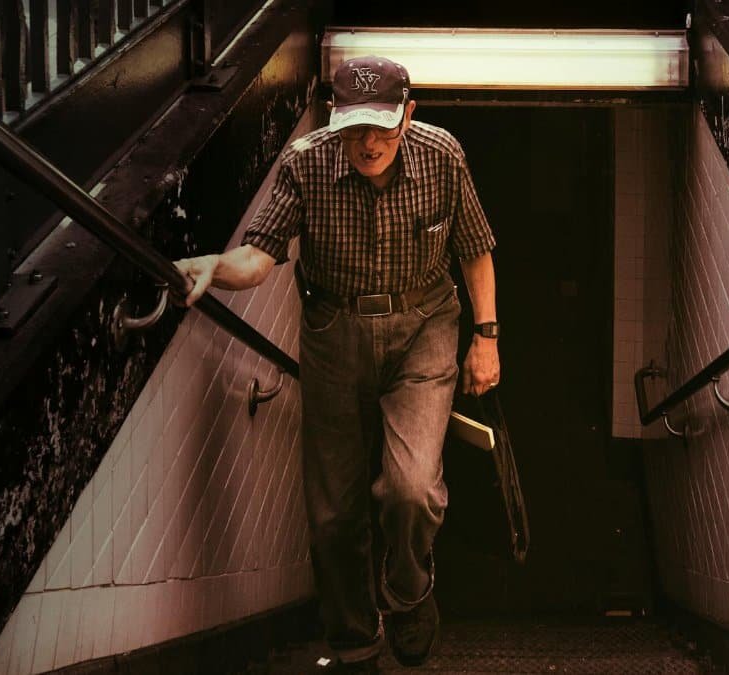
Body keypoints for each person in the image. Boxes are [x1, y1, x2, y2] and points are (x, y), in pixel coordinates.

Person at [174, 55, 500, 671]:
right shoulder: (306, 163)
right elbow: (259, 256)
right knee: (331, 515)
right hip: (332, 330)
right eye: (355, 127)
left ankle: (408, 591)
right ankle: (354, 643)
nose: (369, 143)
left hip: (425, 326)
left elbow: (476, 250)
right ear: (333, 118)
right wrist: (214, 267)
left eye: (382, 126)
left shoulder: (442, 157)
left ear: (409, 113)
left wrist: (486, 337)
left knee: (411, 489)